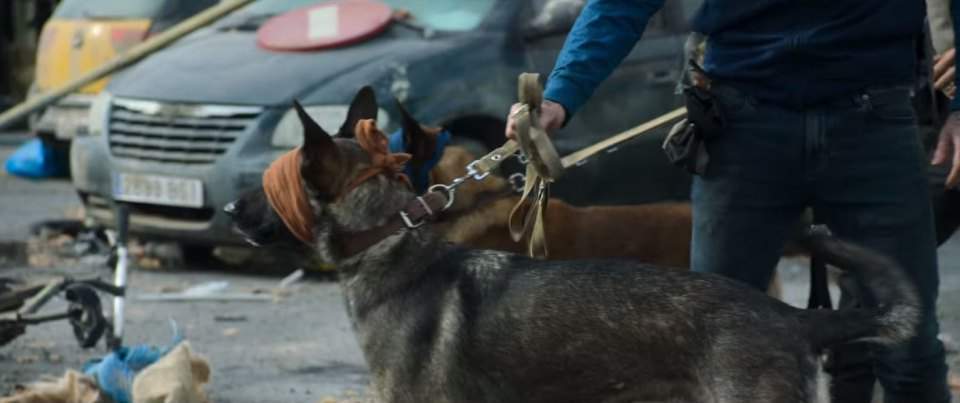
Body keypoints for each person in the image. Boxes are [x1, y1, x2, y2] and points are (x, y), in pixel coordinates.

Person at [505, 1, 951, 402]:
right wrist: (561, 95)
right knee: (712, 344)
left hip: (874, 122)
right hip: (743, 127)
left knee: (910, 348)